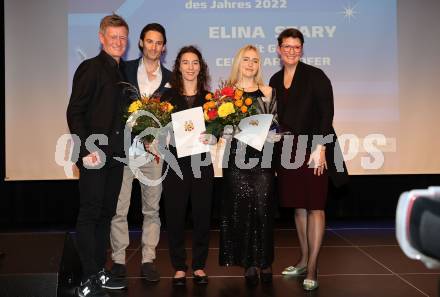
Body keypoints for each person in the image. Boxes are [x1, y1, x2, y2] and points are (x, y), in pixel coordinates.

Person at [269, 28, 348, 291]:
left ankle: (313, 266)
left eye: (296, 47)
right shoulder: (274, 80)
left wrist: (322, 147)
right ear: (279, 49)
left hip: (315, 150)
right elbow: (274, 118)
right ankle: (303, 259)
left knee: (315, 206)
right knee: (298, 207)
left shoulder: (316, 76)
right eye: (286, 46)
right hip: (288, 153)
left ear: (302, 49)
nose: (291, 51)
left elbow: (327, 115)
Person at [66, 14, 130, 297]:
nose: (118, 42)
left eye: (122, 38)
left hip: (116, 156)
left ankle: (99, 272)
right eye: (113, 37)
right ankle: (87, 277)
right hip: (95, 154)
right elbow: (74, 112)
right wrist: (85, 150)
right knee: (91, 213)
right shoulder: (90, 68)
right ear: (101, 38)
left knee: (106, 214)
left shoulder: (121, 73)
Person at [109, 23, 171, 283]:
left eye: (159, 43)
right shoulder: (123, 69)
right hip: (124, 150)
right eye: (150, 41)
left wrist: (157, 136)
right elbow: (114, 108)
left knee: (152, 209)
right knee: (119, 208)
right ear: (142, 43)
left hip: (154, 153)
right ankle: (119, 260)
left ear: (164, 47)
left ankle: (148, 259)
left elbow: (173, 117)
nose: (154, 46)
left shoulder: (171, 78)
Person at [219, 45, 278, 286]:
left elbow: (274, 125)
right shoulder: (227, 94)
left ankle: (265, 260)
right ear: (238, 62)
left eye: (255, 60)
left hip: (262, 159)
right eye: (246, 59)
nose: (250, 64)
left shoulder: (267, 91)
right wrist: (229, 130)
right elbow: (221, 129)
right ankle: (249, 262)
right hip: (236, 159)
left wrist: (273, 135)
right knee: (241, 212)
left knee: (263, 211)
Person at [161, 46, 214, 286]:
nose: (190, 67)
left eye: (195, 62)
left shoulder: (211, 99)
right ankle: (179, 267)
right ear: (178, 66)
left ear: (200, 67)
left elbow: (218, 130)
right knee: (175, 216)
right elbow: (159, 132)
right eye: (185, 62)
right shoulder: (166, 98)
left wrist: (213, 137)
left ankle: (200, 266)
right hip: (175, 163)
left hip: (202, 162)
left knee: (203, 216)